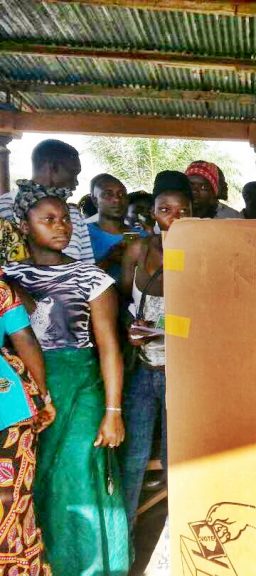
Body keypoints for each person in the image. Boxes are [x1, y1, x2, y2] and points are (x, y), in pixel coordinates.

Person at [5, 184, 130, 575]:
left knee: (78, 476)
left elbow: (109, 346)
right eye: (48, 220)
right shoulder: (9, 277)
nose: (61, 227)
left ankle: (90, 567)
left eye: (64, 219)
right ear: (24, 226)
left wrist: (113, 411)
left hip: (81, 386)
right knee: (35, 478)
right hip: (27, 389)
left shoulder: (91, 277)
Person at [119, 171, 192, 528]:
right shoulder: (137, 249)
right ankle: (125, 539)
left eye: (183, 211)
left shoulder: (202, 254)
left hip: (182, 375)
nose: (174, 218)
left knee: (176, 459)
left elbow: (213, 318)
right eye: (165, 210)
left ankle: (178, 537)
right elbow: (120, 301)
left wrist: (170, 329)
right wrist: (130, 329)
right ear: (152, 212)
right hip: (143, 370)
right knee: (132, 458)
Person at [0, 278, 56, 576]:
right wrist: (44, 397)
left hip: (9, 407)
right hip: (9, 405)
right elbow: (25, 340)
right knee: (13, 500)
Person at [0, 139, 95, 264]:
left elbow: (88, 266)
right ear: (53, 167)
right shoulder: (4, 208)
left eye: (65, 220)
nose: (76, 182)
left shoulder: (74, 214)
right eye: (73, 173)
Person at [87, 173, 145, 281]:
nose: (117, 199)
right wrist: (109, 259)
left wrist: (133, 259)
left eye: (122, 194)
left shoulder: (142, 236)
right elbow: (75, 281)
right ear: (95, 200)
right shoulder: (83, 233)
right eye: (108, 194)